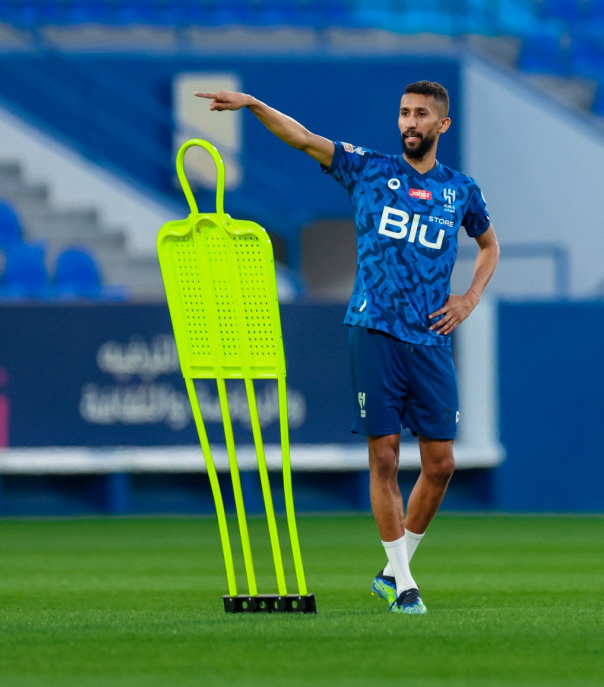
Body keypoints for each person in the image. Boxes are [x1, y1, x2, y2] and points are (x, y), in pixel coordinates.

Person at [195, 81, 499, 615]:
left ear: (441, 125)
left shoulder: (460, 190)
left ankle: (392, 571)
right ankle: (405, 585)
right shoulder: (369, 168)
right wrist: (256, 105)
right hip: (374, 327)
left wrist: (470, 297)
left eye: (420, 114)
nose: (409, 122)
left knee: (442, 463)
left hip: (431, 338)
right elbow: (304, 138)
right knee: (385, 456)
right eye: (404, 112)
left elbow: (489, 245)